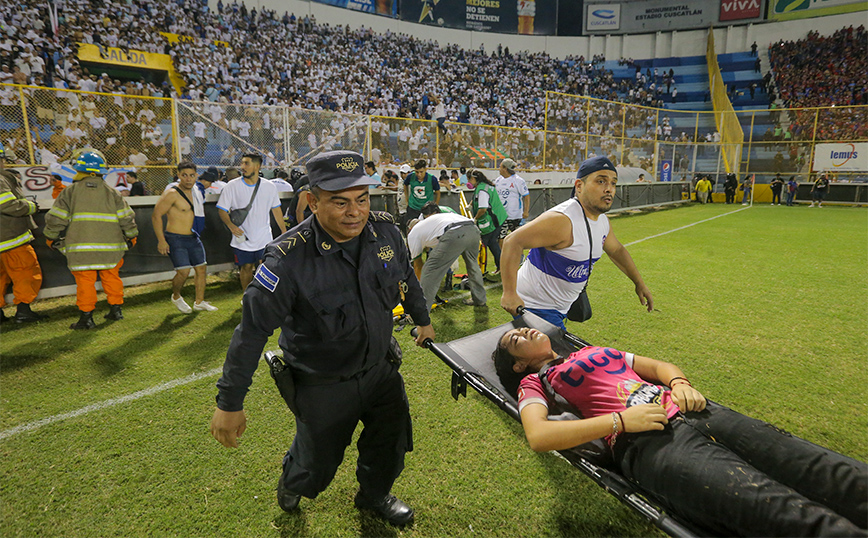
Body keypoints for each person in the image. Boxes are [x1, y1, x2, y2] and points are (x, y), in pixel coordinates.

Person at [210, 150, 435, 526]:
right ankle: (293, 481)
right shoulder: (287, 260)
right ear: (312, 202)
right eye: (340, 202)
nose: (355, 212)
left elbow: (406, 278)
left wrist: (423, 318)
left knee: (390, 444)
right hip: (322, 383)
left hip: (381, 370)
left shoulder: (386, 231)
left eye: (361, 199)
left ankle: (374, 494)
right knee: (317, 463)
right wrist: (229, 403)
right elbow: (251, 333)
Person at [491, 327, 867, 537]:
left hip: (700, 412)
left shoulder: (593, 350)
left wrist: (681, 381)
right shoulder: (537, 383)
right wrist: (619, 423)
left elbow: (659, 366)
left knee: (825, 469)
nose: (520, 330)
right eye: (514, 341)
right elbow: (538, 436)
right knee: (781, 510)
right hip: (650, 443)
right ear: (520, 364)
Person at [500, 156, 653, 331]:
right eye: (601, 181)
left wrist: (639, 283)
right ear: (579, 186)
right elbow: (512, 241)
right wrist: (509, 293)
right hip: (535, 307)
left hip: (558, 308)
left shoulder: (601, 220)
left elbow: (616, 250)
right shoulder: (562, 221)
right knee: (560, 357)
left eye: (613, 183)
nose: (609, 189)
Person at [43, 151, 138, 329]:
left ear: (79, 170)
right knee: (111, 277)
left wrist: (51, 237)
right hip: (111, 249)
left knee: (85, 282)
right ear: (101, 171)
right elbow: (127, 218)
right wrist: (132, 236)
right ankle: (116, 310)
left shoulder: (69, 192)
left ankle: (86, 318)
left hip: (81, 249)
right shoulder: (113, 193)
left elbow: (56, 219)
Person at [151, 161, 218, 314]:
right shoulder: (171, 193)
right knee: (184, 272)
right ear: (179, 176)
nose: (188, 179)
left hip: (193, 237)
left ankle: (199, 302)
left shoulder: (197, 191)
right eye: (184, 175)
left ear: (196, 176)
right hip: (175, 238)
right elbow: (156, 216)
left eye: (192, 175)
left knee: (201, 269)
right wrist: (161, 240)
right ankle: (176, 296)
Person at [217, 153, 287, 289]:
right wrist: (231, 226)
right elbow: (222, 210)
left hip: (264, 236)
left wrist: (284, 231)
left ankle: (263, 296)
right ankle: (247, 296)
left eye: (246, 163)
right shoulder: (231, 186)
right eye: (242, 163)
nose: (242, 167)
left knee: (265, 267)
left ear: (257, 166)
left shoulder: (269, 186)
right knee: (246, 267)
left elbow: (276, 210)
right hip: (242, 238)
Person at [407, 201, 486, 310]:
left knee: (430, 270)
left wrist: (416, 288)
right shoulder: (432, 222)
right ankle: (479, 299)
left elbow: (418, 265)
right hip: (472, 227)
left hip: (454, 232)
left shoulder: (413, 234)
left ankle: (421, 311)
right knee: (473, 265)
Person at [0, 143, 46, 323]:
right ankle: (24, 310)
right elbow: (7, 204)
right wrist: (30, 206)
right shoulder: (1, 179)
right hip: (11, 239)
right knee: (26, 272)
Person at [467, 169, 507, 275]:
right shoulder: (483, 186)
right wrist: (470, 205)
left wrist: (475, 218)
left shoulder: (482, 190)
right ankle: (501, 267)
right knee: (492, 242)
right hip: (499, 217)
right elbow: (476, 198)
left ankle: (480, 269)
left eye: (469, 180)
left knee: (484, 243)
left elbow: (483, 208)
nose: (469, 183)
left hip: (494, 220)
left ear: (473, 179)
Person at [495, 158, 530, 244]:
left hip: (515, 216)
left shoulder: (518, 181)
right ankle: (503, 257)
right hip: (502, 216)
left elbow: (526, 196)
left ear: (505, 168)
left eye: (500, 167)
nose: (499, 169)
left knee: (518, 239)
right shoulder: (498, 181)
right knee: (501, 238)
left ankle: (520, 256)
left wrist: (526, 211)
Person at [403, 159, 440, 227]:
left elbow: (437, 192)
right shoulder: (411, 176)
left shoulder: (432, 179)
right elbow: (405, 185)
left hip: (427, 210)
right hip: (413, 207)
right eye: (417, 172)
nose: (419, 174)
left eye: (421, 172)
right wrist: (407, 200)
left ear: (426, 169)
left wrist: (435, 205)